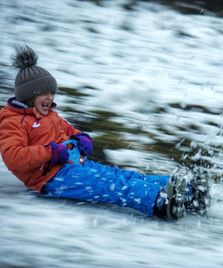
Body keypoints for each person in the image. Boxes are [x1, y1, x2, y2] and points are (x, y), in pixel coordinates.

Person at [0, 45, 209, 220]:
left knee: (122, 175)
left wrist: (81, 138)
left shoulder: (49, 116)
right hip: (51, 179)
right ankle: (159, 202)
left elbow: (70, 130)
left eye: (52, 92)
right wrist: (51, 152)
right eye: (44, 93)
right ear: (28, 95)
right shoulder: (13, 122)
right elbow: (14, 157)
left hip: (74, 166)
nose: (50, 97)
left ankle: (189, 193)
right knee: (110, 185)